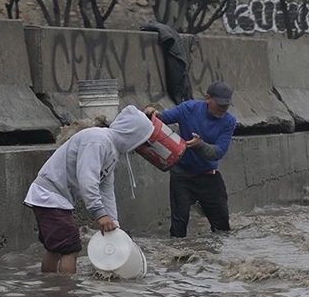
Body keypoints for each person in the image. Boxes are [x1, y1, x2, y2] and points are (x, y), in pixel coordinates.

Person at [23, 105, 155, 273]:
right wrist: (100, 214)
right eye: (141, 139)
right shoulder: (98, 140)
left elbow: (106, 188)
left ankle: (50, 289)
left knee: (55, 248)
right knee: (70, 247)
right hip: (50, 195)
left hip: (54, 197)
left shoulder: (112, 152)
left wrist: (113, 222)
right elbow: (88, 180)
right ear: (131, 134)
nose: (141, 145)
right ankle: (66, 293)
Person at [144, 81, 237, 237]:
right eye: (220, 104)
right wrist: (150, 112)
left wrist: (199, 145)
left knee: (222, 230)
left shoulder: (229, 121)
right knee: (178, 230)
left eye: (226, 106)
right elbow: (161, 120)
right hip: (182, 175)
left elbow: (218, 152)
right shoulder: (189, 108)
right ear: (208, 98)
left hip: (209, 176)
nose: (223, 109)